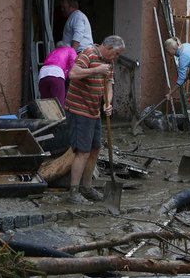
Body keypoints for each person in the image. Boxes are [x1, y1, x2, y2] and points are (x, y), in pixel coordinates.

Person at [65, 35, 126, 204]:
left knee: (95, 149)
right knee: (82, 152)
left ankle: (87, 187)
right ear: (108, 47)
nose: (117, 57)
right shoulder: (88, 53)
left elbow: (108, 84)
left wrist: (108, 102)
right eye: (116, 53)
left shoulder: (109, 63)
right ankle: (74, 192)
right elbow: (73, 74)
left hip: (94, 111)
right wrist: (96, 70)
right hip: (79, 109)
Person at [38, 44, 78, 108]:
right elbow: (74, 66)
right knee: (59, 106)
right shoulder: (71, 50)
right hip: (56, 74)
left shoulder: (53, 52)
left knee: (46, 106)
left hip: (42, 75)